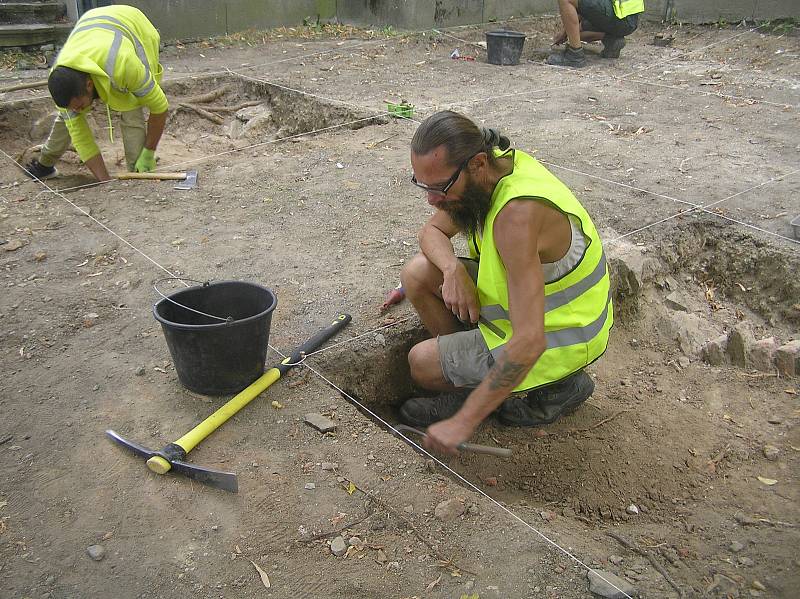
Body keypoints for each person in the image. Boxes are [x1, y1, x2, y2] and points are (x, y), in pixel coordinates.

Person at [399, 110, 613, 455]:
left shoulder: (517, 215)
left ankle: (558, 383)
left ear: (477, 164)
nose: (432, 199)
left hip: (563, 337)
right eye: (423, 185)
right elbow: (432, 231)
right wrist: (452, 270)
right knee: (417, 274)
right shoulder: (490, 174)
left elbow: (529, 341)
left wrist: (464, 421)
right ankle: (473, 382)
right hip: (528, 316)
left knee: (420, 364)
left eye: (439, 187)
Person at [24, 4, 168, 182]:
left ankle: (138, 170)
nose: (77, 110)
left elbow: (160, 106)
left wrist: (149, 151)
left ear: (90, 84)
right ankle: (45, 165)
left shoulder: (124, 64)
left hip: (137, 29)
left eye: (79, 105)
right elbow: (81, 137)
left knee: (132, 107)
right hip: (93, 25)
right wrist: (105, 181)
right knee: (69, 118)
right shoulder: (60, 77)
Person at [547, 0, 645, 68]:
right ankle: (611, 40)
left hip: (618, 15)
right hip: (629, 22)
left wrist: (565, 32)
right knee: (575, 33)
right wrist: (566, 32)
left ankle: (574, 55)